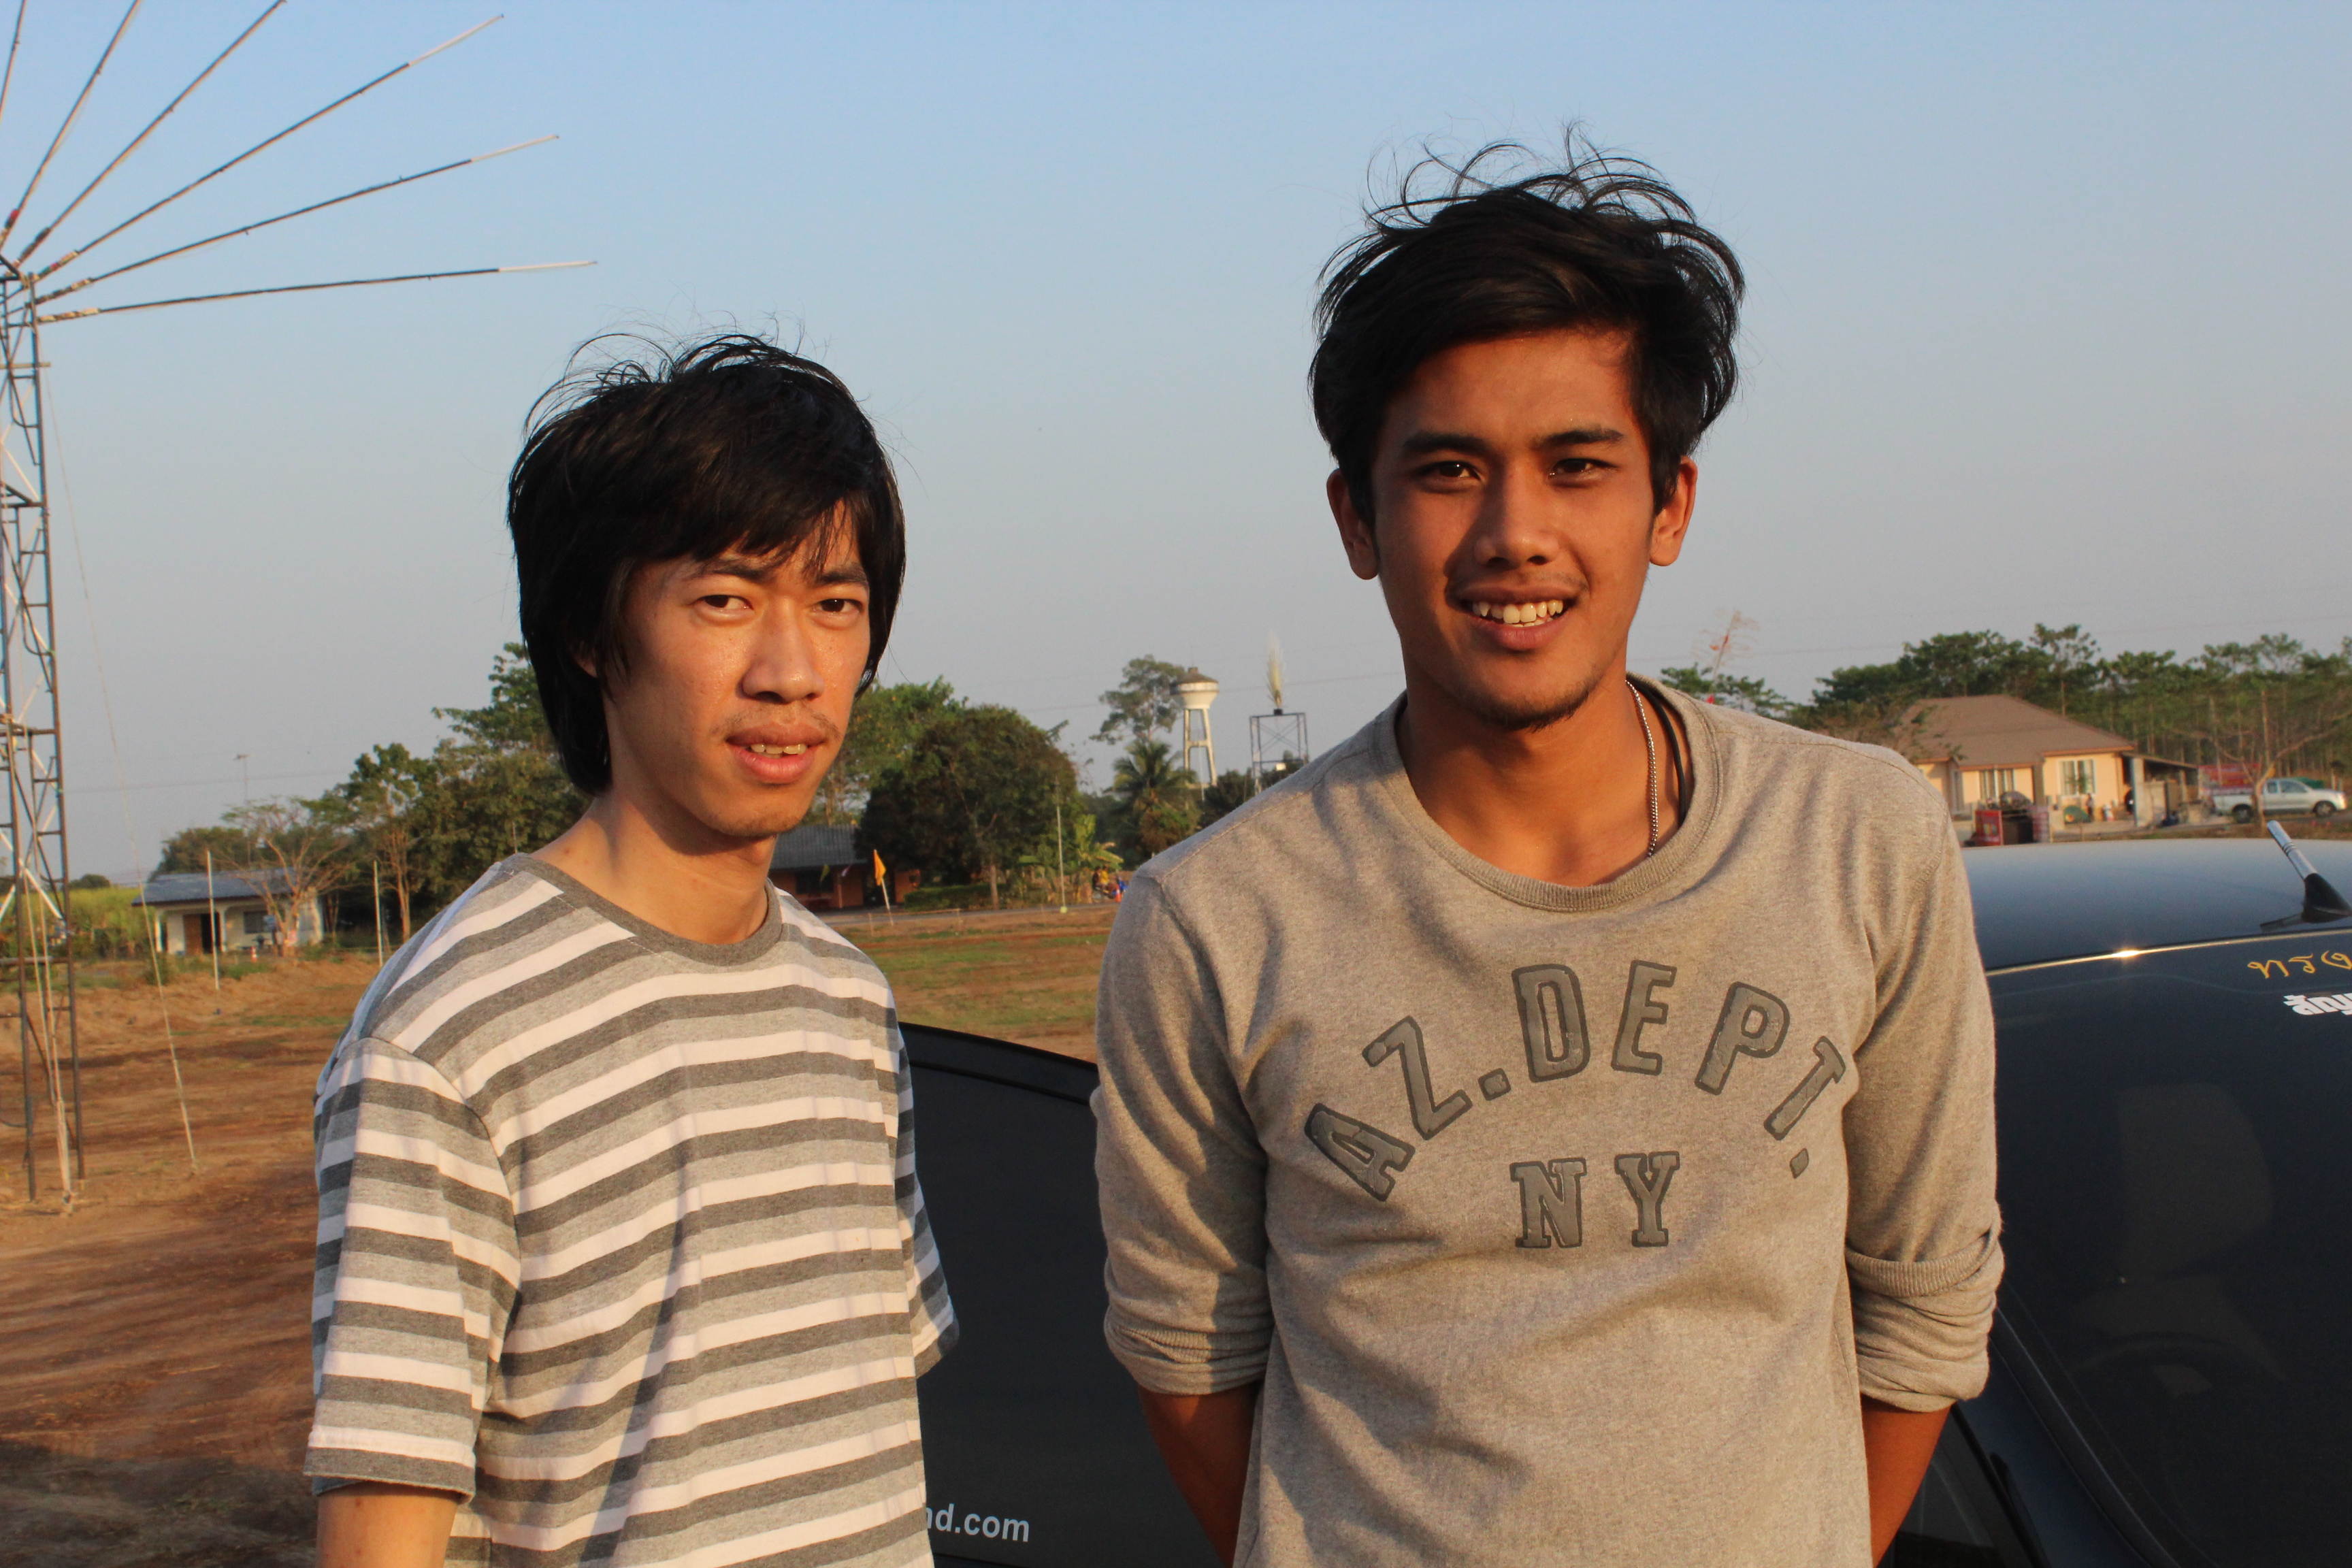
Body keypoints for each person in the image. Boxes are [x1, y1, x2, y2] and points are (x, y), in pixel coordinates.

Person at [1092, 142, 2000, 1567]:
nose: (1517, 537)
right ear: (1357, 519)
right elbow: (1188, 1362)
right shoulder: (1212, 922)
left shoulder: (1858, 843)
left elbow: (1928, 1303)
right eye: (1449, 472)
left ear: (1669, 505)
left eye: (1579, 467)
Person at [308, 336, 955, 1568]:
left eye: (835, 605)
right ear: (592, 633)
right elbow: (382, 1526)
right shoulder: (449, 1036)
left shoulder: (847, 1002)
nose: (793, 673)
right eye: (725, 601)